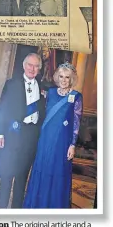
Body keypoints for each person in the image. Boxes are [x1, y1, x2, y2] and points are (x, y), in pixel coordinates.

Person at [24, 62, 82, 208]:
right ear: (57, 77)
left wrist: (72, 145)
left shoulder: (76, 97)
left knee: (57, 171)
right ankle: (37, 205)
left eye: (67, 77)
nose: (63, 80)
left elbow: (76, 122)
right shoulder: (50, 93)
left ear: (72, 79)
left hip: (62, 142)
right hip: (45, 139)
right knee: (42, 168)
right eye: (61, 76)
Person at [0, 52, 46, 208]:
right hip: (13, 134)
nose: (32, 68)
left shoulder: (43, 88)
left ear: (39, 69)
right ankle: (1, 210)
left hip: (31, 137)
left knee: (22, 177)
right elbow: (2, 109)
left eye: (36, 66)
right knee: (6, 175)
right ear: (24, 66)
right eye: (30, 65)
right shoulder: (12, 84)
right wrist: (0, 133)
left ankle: (16, 211)